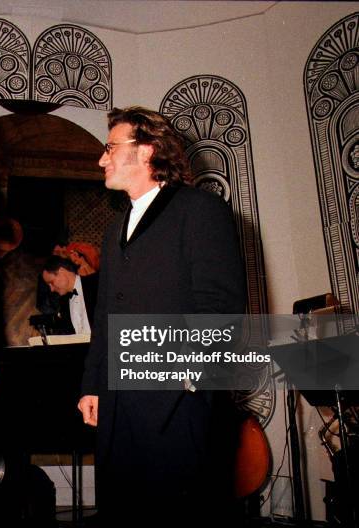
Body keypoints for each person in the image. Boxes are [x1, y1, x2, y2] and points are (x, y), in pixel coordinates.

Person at [77, 107, 246, 525]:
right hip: (119, 405)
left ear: (148, 150)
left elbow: (221, 306)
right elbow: (105, 313)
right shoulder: (115, 227)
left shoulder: (199, 210)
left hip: (177, 403)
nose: (102, 159)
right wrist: (93, 385)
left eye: (111, 147)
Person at [41, 255, 98, 335]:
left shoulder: (97, 283)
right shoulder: (63, 303)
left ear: (62, 272)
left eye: (51, 282)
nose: (51, 289)